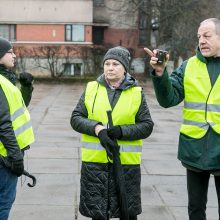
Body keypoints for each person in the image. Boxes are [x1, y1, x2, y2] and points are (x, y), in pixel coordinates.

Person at [144, 18, 220, 220]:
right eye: (198, 36)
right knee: (195, 209)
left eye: (207, 36)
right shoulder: (189, 66)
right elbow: (168, 99)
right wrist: (160, 74)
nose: (201, 40)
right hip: (194, 148)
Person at [70, 46, 154, 220]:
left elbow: (146, 126)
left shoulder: (136, 93)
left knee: (126, 212)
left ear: (125, 68)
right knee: (98, 214)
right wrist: (97, 129)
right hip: (95, 165)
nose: (110, 67)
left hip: (125, 165)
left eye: (115, 64)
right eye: (107, 63)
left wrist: (122, 131)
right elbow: (76, 118)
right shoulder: (91, 88)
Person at [0, 37, 35, 220]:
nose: (14, 55)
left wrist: (26, 87)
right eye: (10, 52)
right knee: (3, 203)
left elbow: (18, 109)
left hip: (7, 153)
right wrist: (16, 157)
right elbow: (4, 124)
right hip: (5, 156)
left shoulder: (5, 79)